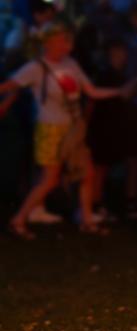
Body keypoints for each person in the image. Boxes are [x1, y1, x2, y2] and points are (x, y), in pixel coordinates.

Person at [0, 20, 128, 238]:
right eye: (63, 42)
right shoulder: (35, 68)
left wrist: (118, 91)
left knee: (86, 173)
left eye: (68, 42)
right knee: (50, 180)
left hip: (73, 129)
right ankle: (18, 219)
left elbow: (91, 91)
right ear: (49, 43)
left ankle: (87, 220)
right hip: (50, 129)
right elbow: (8, 86)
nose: (68, 47)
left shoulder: (71, 64)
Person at [85, 39, 137, 219]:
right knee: (99, 167)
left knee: (105, 166)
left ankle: (98, 203)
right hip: (102, 125)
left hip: (112, 124)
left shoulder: (119, 73)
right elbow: (93, 100)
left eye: (123, 52)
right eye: (118, 52)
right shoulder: (105, 74)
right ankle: (94, 204)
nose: (122, 56)